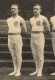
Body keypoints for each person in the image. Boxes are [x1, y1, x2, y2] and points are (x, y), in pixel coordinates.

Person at [29, 4, 50, 76]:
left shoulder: (43, 18)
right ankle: (37, 69)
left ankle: (40, 71)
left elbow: (48, 30)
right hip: (33, 37)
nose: (35, 10)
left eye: (37, 9)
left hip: (40, 36)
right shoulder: (31, 19)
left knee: (40, 54)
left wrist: (41, 34)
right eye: (34, 9)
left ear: (40, 10)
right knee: (35, 54)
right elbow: (30, 29)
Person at [7, 4, 27, 76]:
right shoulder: (8, 20)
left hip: (17, 37)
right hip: (10, 37)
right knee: (13, 55)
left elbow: (25, 30)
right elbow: (8, 29)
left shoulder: (20, 19)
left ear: (18, 10)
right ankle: (15, 70)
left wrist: (18, 35)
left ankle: (18, 71)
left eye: (14, 9)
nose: (13, 10)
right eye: (12, 8)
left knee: (18, 55)